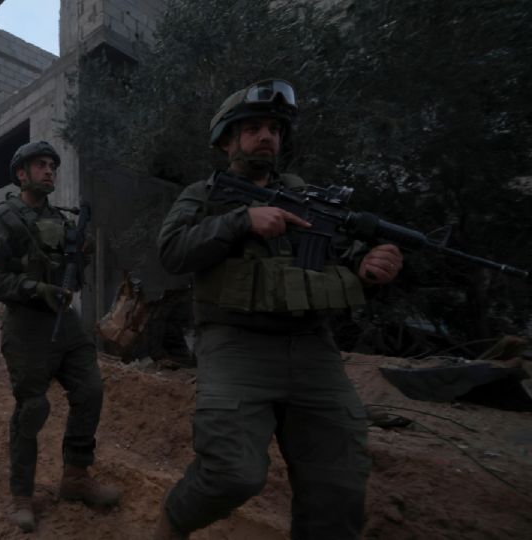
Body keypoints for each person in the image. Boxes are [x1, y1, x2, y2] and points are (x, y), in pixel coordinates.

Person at [153, 79, 404, 539]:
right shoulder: (205, 195)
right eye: (253, 128)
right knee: (233, 473)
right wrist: (239, 221)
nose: (266, 136)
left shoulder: (308, 198)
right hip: (235, 346)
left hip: (313, 350)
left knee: (339, 484)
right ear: (227, 140)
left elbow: (337, 258)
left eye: (273, 128)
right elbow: (171, 252)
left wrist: (368, 267)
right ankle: (173, 523)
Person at [0, 141, 120, 532]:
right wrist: (35, 289)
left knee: (90, 390)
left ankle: (75, 477)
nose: (48, 171)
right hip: (27, 326)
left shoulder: (62, 219)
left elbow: (71, 264)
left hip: (66, 324)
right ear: (21, 174)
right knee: (33, 409)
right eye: (40, 165)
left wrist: (82, 252)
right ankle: (22, 494)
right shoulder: (5, 218)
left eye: (52, 166)